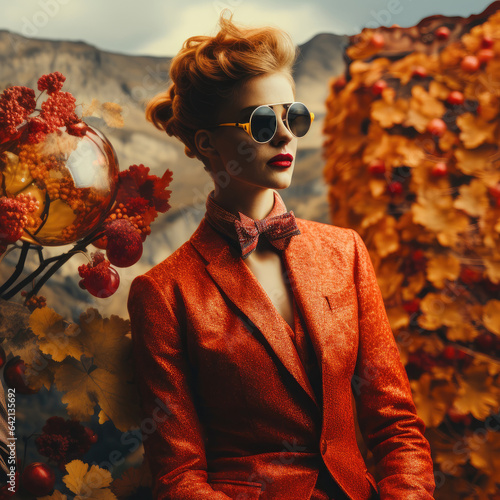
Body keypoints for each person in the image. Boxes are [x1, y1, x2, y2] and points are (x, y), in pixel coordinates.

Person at [127, 11, 436, 500]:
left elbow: (395, 425)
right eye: (262, 121)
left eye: (293, 117)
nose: (285, 135)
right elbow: (179, 476)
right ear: (207, 143)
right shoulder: (163, 293)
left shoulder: (345, 252)